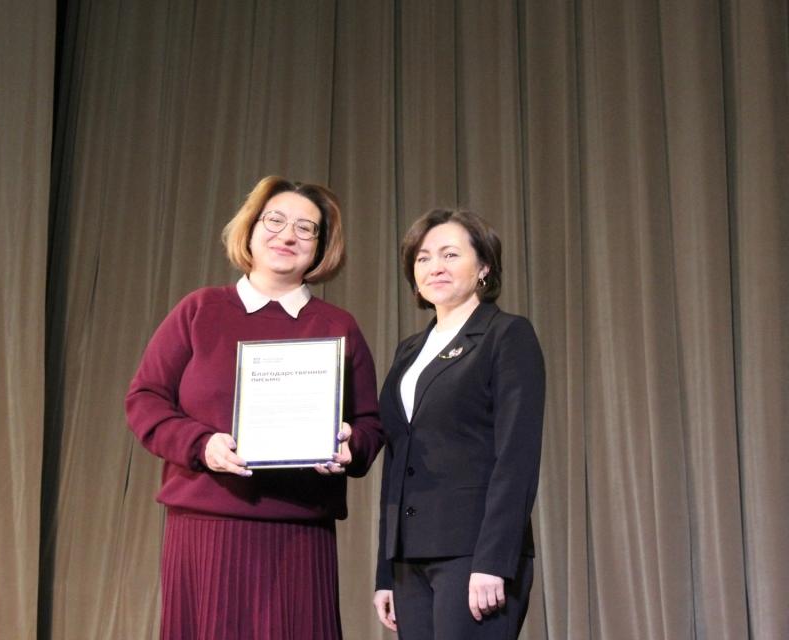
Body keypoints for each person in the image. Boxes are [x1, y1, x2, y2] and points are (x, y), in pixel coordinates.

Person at [126, 175, 383, 640]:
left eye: (305, 229)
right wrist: (201, 445)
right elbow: (145, 399)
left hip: (299, 532)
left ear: (321, 247)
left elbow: (369, 424)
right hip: (205, 529)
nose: (288, 236)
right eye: (275, 220)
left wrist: (352, 445)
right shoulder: (199, 310)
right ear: (250, 229)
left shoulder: (338, 326)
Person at [372, 208, 545, 639]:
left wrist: (494, 560)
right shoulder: (408, 351)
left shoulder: (506, 335)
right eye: (423, 258)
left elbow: (517, 457)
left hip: (474, 553)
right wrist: (385, 570)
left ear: (484, 266)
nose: (436, 267)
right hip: (409, 558)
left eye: (450, 254)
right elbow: (396, 460)